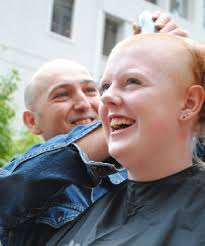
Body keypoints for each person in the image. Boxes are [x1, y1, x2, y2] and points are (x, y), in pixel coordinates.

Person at [0, 13, 195, 246]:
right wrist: (136, 115)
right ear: (32, 121)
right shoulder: (22, 183)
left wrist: (175, 67)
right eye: (62, 95)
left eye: (92, 90)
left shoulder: (155, 167)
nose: (84, 103)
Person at [47, 33, 205, 246]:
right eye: (105, 86)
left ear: (189, 102)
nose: (105, 98)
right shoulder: (74, 220)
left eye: (132, 82)